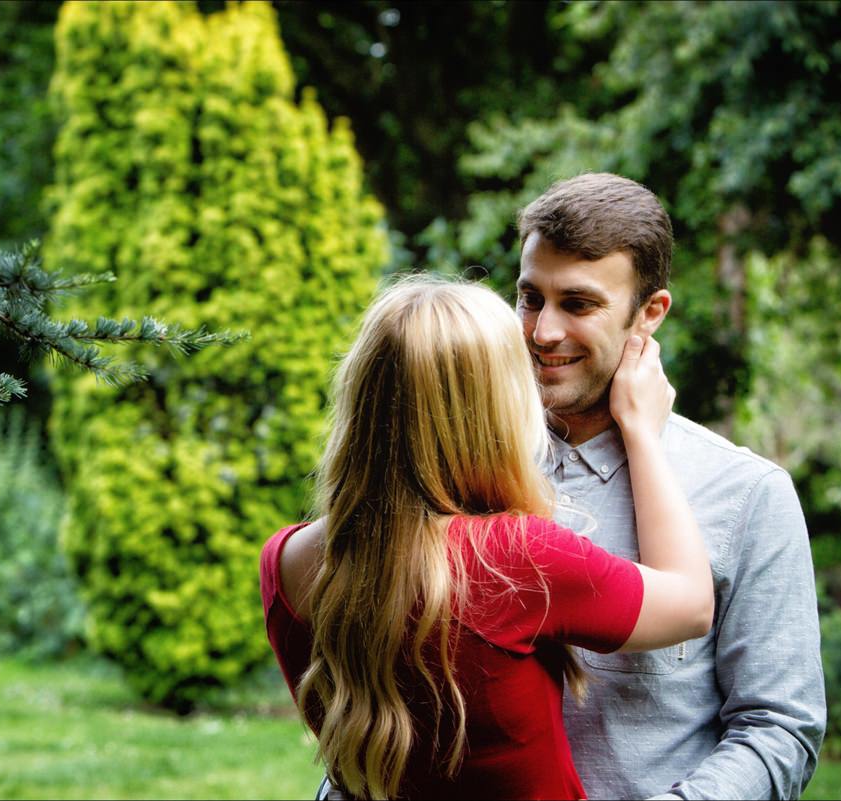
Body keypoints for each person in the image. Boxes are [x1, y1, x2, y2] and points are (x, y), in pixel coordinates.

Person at [260, 275, 714, 800]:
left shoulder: (286, 559)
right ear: (493, 408)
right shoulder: (513, 557)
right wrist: (641, 429)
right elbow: (690, 603)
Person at [514, 173, 826, 799]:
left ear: (649, 314)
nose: (543, 331)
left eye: (578, 304)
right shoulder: (456, 466)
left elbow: (779, 729)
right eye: (529, 298)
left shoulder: (747, 495)